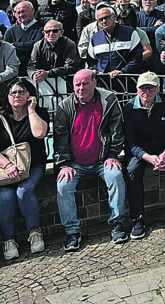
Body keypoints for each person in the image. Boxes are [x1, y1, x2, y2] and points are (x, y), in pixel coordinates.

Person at [54, 69, 129, 250]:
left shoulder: (108, 99)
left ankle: (117, 224)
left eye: (85, 84)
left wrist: (112, 155)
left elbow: (117, 130)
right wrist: (64, 164)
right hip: (74, 163)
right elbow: (60, 138)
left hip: (103, 160)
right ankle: (72, 232)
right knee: (63, 186)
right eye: (77, 85)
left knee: (116, 176)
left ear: (94, 83)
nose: (81, 88)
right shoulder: (64, 106)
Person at [0, 78, 50, 260]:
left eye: (22, 92)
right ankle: (8, 240)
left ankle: (35, 232)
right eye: (13, 92)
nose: (17, 95)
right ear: (7, 96)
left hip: (33, 165)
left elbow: (40, 133)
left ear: (30, 95)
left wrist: (31, 110)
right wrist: (7, 165)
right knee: (6, 196)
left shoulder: (39, 113)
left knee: (24, 191)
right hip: (6, 169)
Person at [123, 71, 165, 238]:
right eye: (142, 88)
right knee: (132, 169)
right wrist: (148, 157)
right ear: (137, 89)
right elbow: (130, 142)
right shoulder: (129, 108)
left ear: (157, 88)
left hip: (164, 147)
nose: (146, 92)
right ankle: (137, 217)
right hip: (140, 150)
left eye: (150, 88)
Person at [3, 0, 43, 76]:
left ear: (32, 11)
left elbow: (35, 45)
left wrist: (14, 45)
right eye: (18, 13)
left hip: (35, 70)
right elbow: (6, 48)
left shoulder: (41, 28)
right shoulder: (10, 30)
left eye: (23, 12)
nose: (21, 15)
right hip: (15, 70)